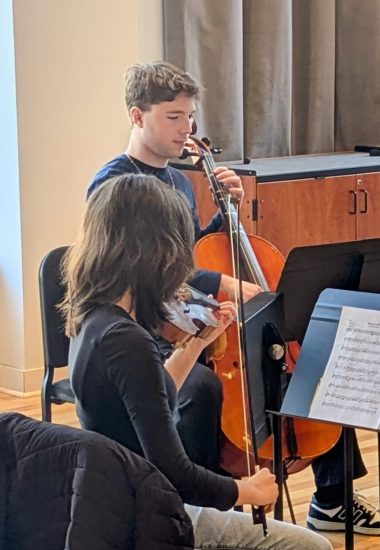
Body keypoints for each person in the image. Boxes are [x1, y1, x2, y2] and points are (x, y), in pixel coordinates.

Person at [88, 61, 380, 536]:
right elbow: (150, 271)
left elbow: (187, 251)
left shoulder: (176, 180)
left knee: (308, 363)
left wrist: (223, 218)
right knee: (203, 389)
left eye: (190, 116)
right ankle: (196, 507)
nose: (187, 128)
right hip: (152, 328)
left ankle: (332, 499)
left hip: (187, 310)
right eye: (173, 116)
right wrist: (223, 285)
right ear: (137, 116)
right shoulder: (115, 184)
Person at [64, 174, 333, 550]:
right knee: (311, 546)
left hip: (113, 500)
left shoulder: (94, 318)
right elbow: (175, 474)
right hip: (143, 513)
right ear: (155, 252)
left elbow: (148, 398)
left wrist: (195, 344)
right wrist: (245, 490)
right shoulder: (128, 340)